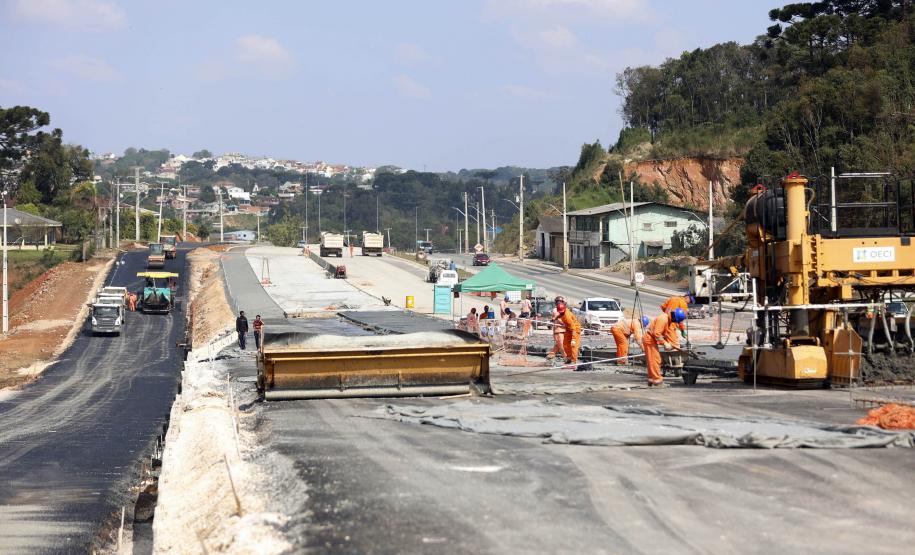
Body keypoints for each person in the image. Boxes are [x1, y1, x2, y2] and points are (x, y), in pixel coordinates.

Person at [643, 307, 685, 386]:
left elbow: (663, 333)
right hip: (649, 339)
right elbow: (656, 333)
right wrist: (665, 343)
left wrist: (668, 342)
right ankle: (657, 380)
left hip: (651, 339)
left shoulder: (668, 319)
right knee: (655, 360)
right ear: (674, 317)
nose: (675, 322)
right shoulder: (663, 319)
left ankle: (651, 378)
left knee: (652, 360)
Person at [556, 299, 582, 367]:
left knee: (573, 345)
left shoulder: (568, 317)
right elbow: (561, 315)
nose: (561, 313)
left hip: (575, 330)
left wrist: (573, 339)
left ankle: (573, 361)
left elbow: (573, 328)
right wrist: (555, 318)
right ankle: (569, 358)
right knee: (565, 344)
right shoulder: (563, 311)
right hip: (568, 329)